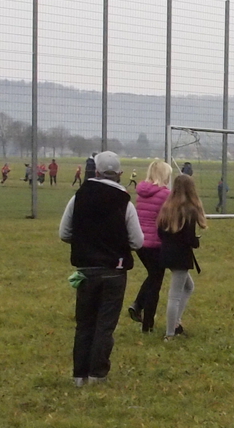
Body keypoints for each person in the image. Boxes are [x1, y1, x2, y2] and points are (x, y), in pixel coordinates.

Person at [57, 151, 141, 383]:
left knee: (84, 323)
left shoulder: (78, 198)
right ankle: (97, 373)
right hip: (115, 271)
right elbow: (137, 241)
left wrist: (85, 242)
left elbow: (64, 233)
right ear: (120, 174)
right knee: (105, 325)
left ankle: (79, 375)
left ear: (95, 171)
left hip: (86, 269)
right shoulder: (124, 202)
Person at [157, 171, 206, 338]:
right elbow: (189, 239)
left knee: (188, 287)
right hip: (181, 256)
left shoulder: (167, 207)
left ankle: (176, 322)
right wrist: (196, 241)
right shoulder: (189, 210)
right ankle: (170, 333)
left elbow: (160, 232)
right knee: (175, 296)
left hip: (167, 253)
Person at [128, 157, 172, 333]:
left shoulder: (141, 193)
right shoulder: (165, 194)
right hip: (156, 242)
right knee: (156, 282)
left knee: (153, 276)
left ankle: (138, 305)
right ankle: (147, 323)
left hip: (140, 242)